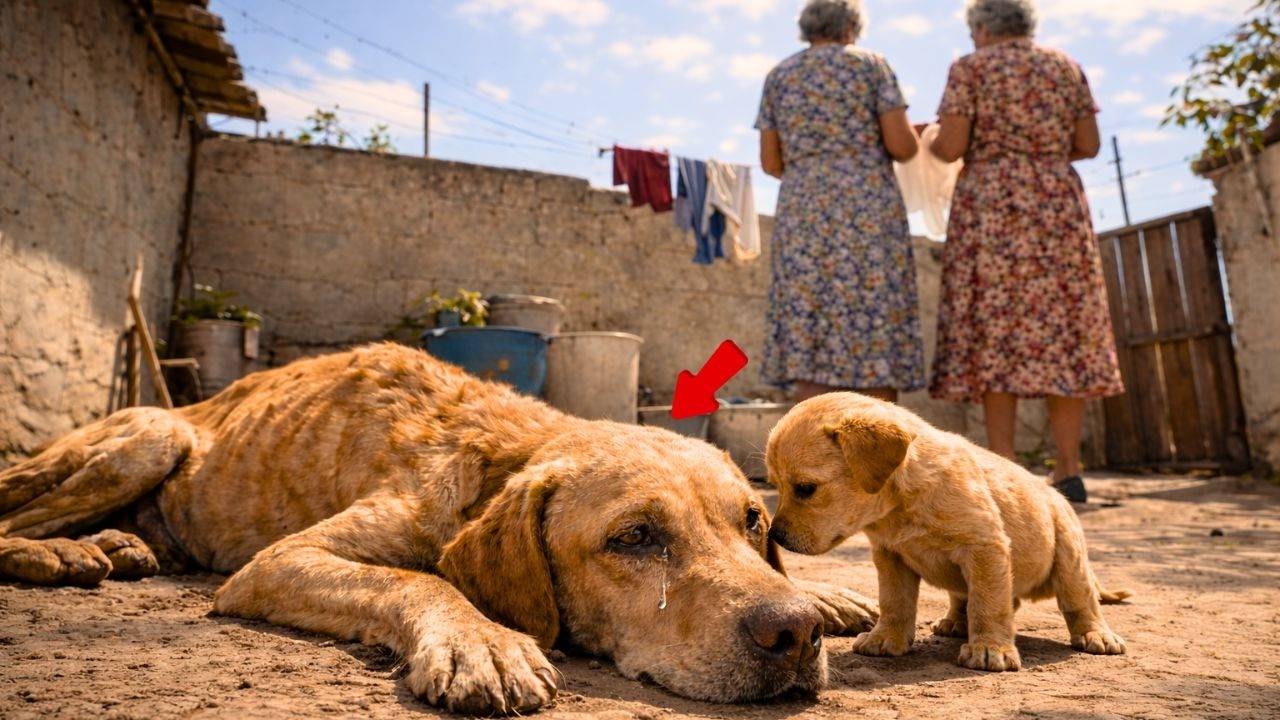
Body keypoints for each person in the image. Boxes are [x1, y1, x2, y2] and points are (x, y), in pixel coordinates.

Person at [928, 0, 1124, 502]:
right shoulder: (1065, 67)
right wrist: (1041, 154)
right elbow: (1088, 143)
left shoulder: (971, 68)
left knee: (997, 333)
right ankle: (1069, 471)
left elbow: (950, 147)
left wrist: (932, 140)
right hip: (1056, 205)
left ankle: (1005, 470)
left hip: (992, 207)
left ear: (983, 27)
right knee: (1064, 331)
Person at [755, 0, 925, 404]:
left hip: (803, 210)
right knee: (874, 319)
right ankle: (878, 439)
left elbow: (771, 161)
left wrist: (813, 169)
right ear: (852, 25)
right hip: (867, 207)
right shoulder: (870, 66)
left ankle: (815, 437)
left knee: (811, 322)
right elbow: (902, 146)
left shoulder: (780, 75)